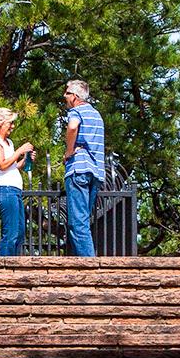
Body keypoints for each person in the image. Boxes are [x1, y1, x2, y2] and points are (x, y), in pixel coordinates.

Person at [59, 79, 106, 256]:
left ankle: (89, 266)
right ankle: (83, 261)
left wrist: (69, 152)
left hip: (79, 169)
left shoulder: (76, 111)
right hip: (96, 172)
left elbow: (72, 128)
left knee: (77, 223)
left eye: (67, 93)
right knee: (84, 221)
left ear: (76, 97)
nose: (65, 96)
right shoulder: (96, 115)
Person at [0, 107, 32, 256]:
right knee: (10, 232)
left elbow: (12, 166)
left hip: (15, 190)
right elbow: (2, 165)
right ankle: (2, 269)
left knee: (19, 231)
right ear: (1, 124)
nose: (12, 126)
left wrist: (24, 160)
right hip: (6, 190)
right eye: (10, 123)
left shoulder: (8, 142)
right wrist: (19, 151)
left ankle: (13, 266)